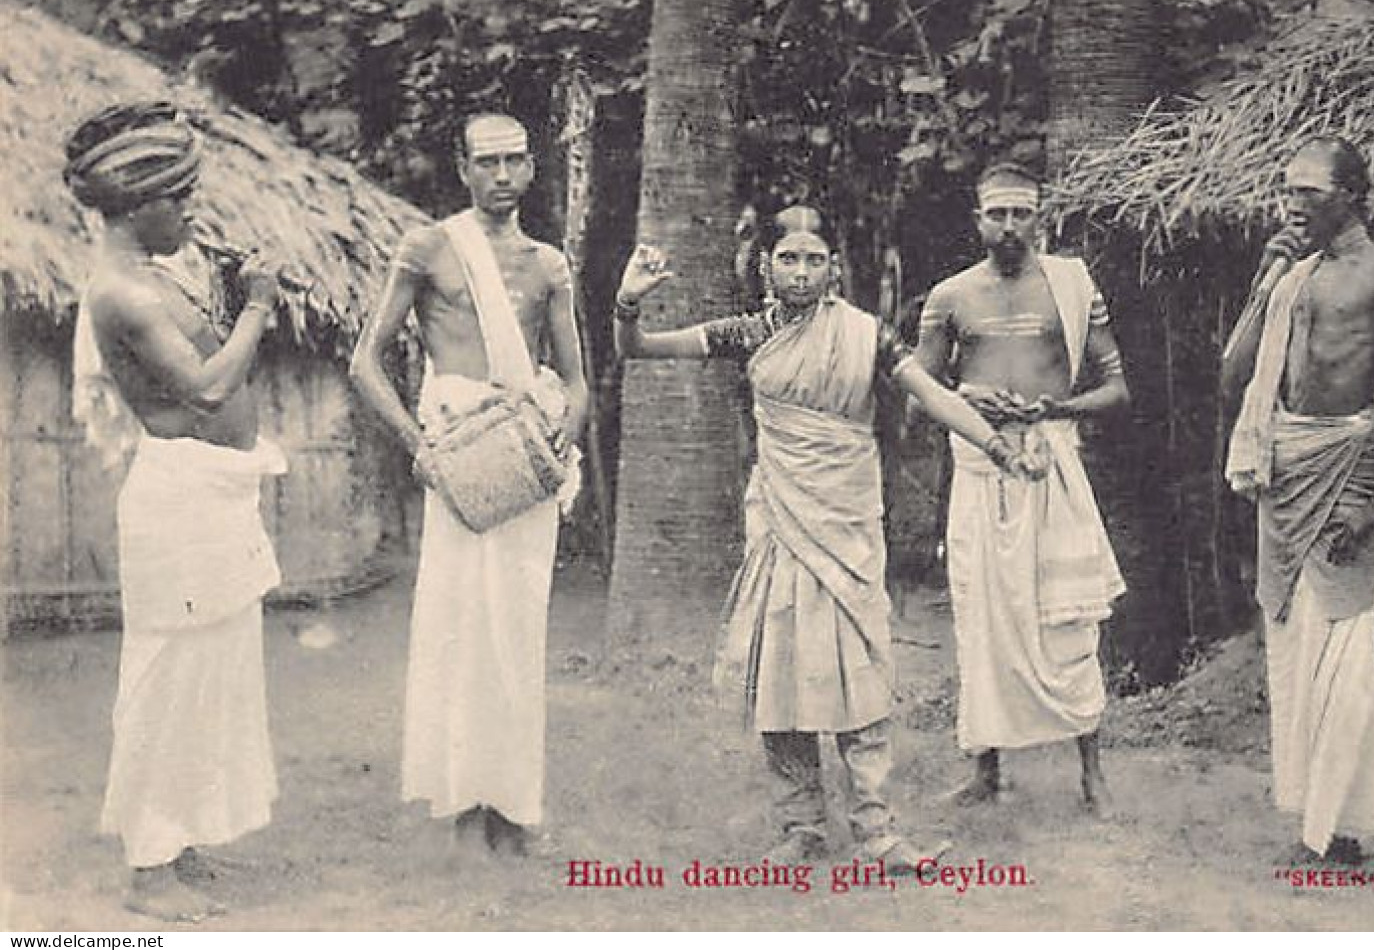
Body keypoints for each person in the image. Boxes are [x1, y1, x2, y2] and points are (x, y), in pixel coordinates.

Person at [614, 206, 1032, 868]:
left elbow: (933, 393)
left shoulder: (865, 336)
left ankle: (878, 832)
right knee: (777, 667)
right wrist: (628, 303)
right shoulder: (746, 333)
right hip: (781, 523)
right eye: (788, 258)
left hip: (846, 525)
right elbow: (638, 350)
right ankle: (801, 825)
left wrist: (995, 445)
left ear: (833, 269)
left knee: (858, 669)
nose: (801, 271)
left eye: (813, 259)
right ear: (765, 266)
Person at [65, 101, 287, 922]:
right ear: (135, 206)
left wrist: (234, 294)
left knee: (209, 678)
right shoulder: (119, 292)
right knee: (168, 679)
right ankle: (149, 871)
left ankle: (177, 841)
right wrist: (259, 302)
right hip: (178, 499)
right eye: (180, 201)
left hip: (210, 495)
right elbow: (205, 388)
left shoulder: (156, 280)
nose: (190, 216)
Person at [350, 113, 588, 857]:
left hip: (524, 461)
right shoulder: (430, 247)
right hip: (456, 456)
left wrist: (564, 433)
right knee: (458, 631)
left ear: (532, 168)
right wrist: (419, 447)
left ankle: (513, 809)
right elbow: (366, 360)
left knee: (516, 631)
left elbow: (578, 383)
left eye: (516, 160)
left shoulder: (548, 264)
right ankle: (462, 805)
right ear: (461, 168)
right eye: (487, 162)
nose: (502, 175)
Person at [1220, 135, 1374, 872]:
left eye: (1308, 193)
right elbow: (1231, 380)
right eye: (1287, 191)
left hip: (1349, 471)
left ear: (1351, 196)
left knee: (1347, 657)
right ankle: (1336, 827)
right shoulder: (1292, 276)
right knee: (1296, 657)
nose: (1292, 204)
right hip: (1282, 474)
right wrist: (1264, 277)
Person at [912, 162, 1129, 816]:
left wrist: (1054, 412)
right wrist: (966, 397)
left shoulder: (1070, 286)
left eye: (1021, 213)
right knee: (981, 615)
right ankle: (985, 772)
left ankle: (1092, 776)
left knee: (1068, 617)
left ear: (1040, 217)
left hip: (1052, 467)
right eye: (997, 213)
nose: (1010, 226)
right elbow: (919, 393)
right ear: (976, 218)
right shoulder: (948, 297)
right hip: (981, 470)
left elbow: (1118, 389)